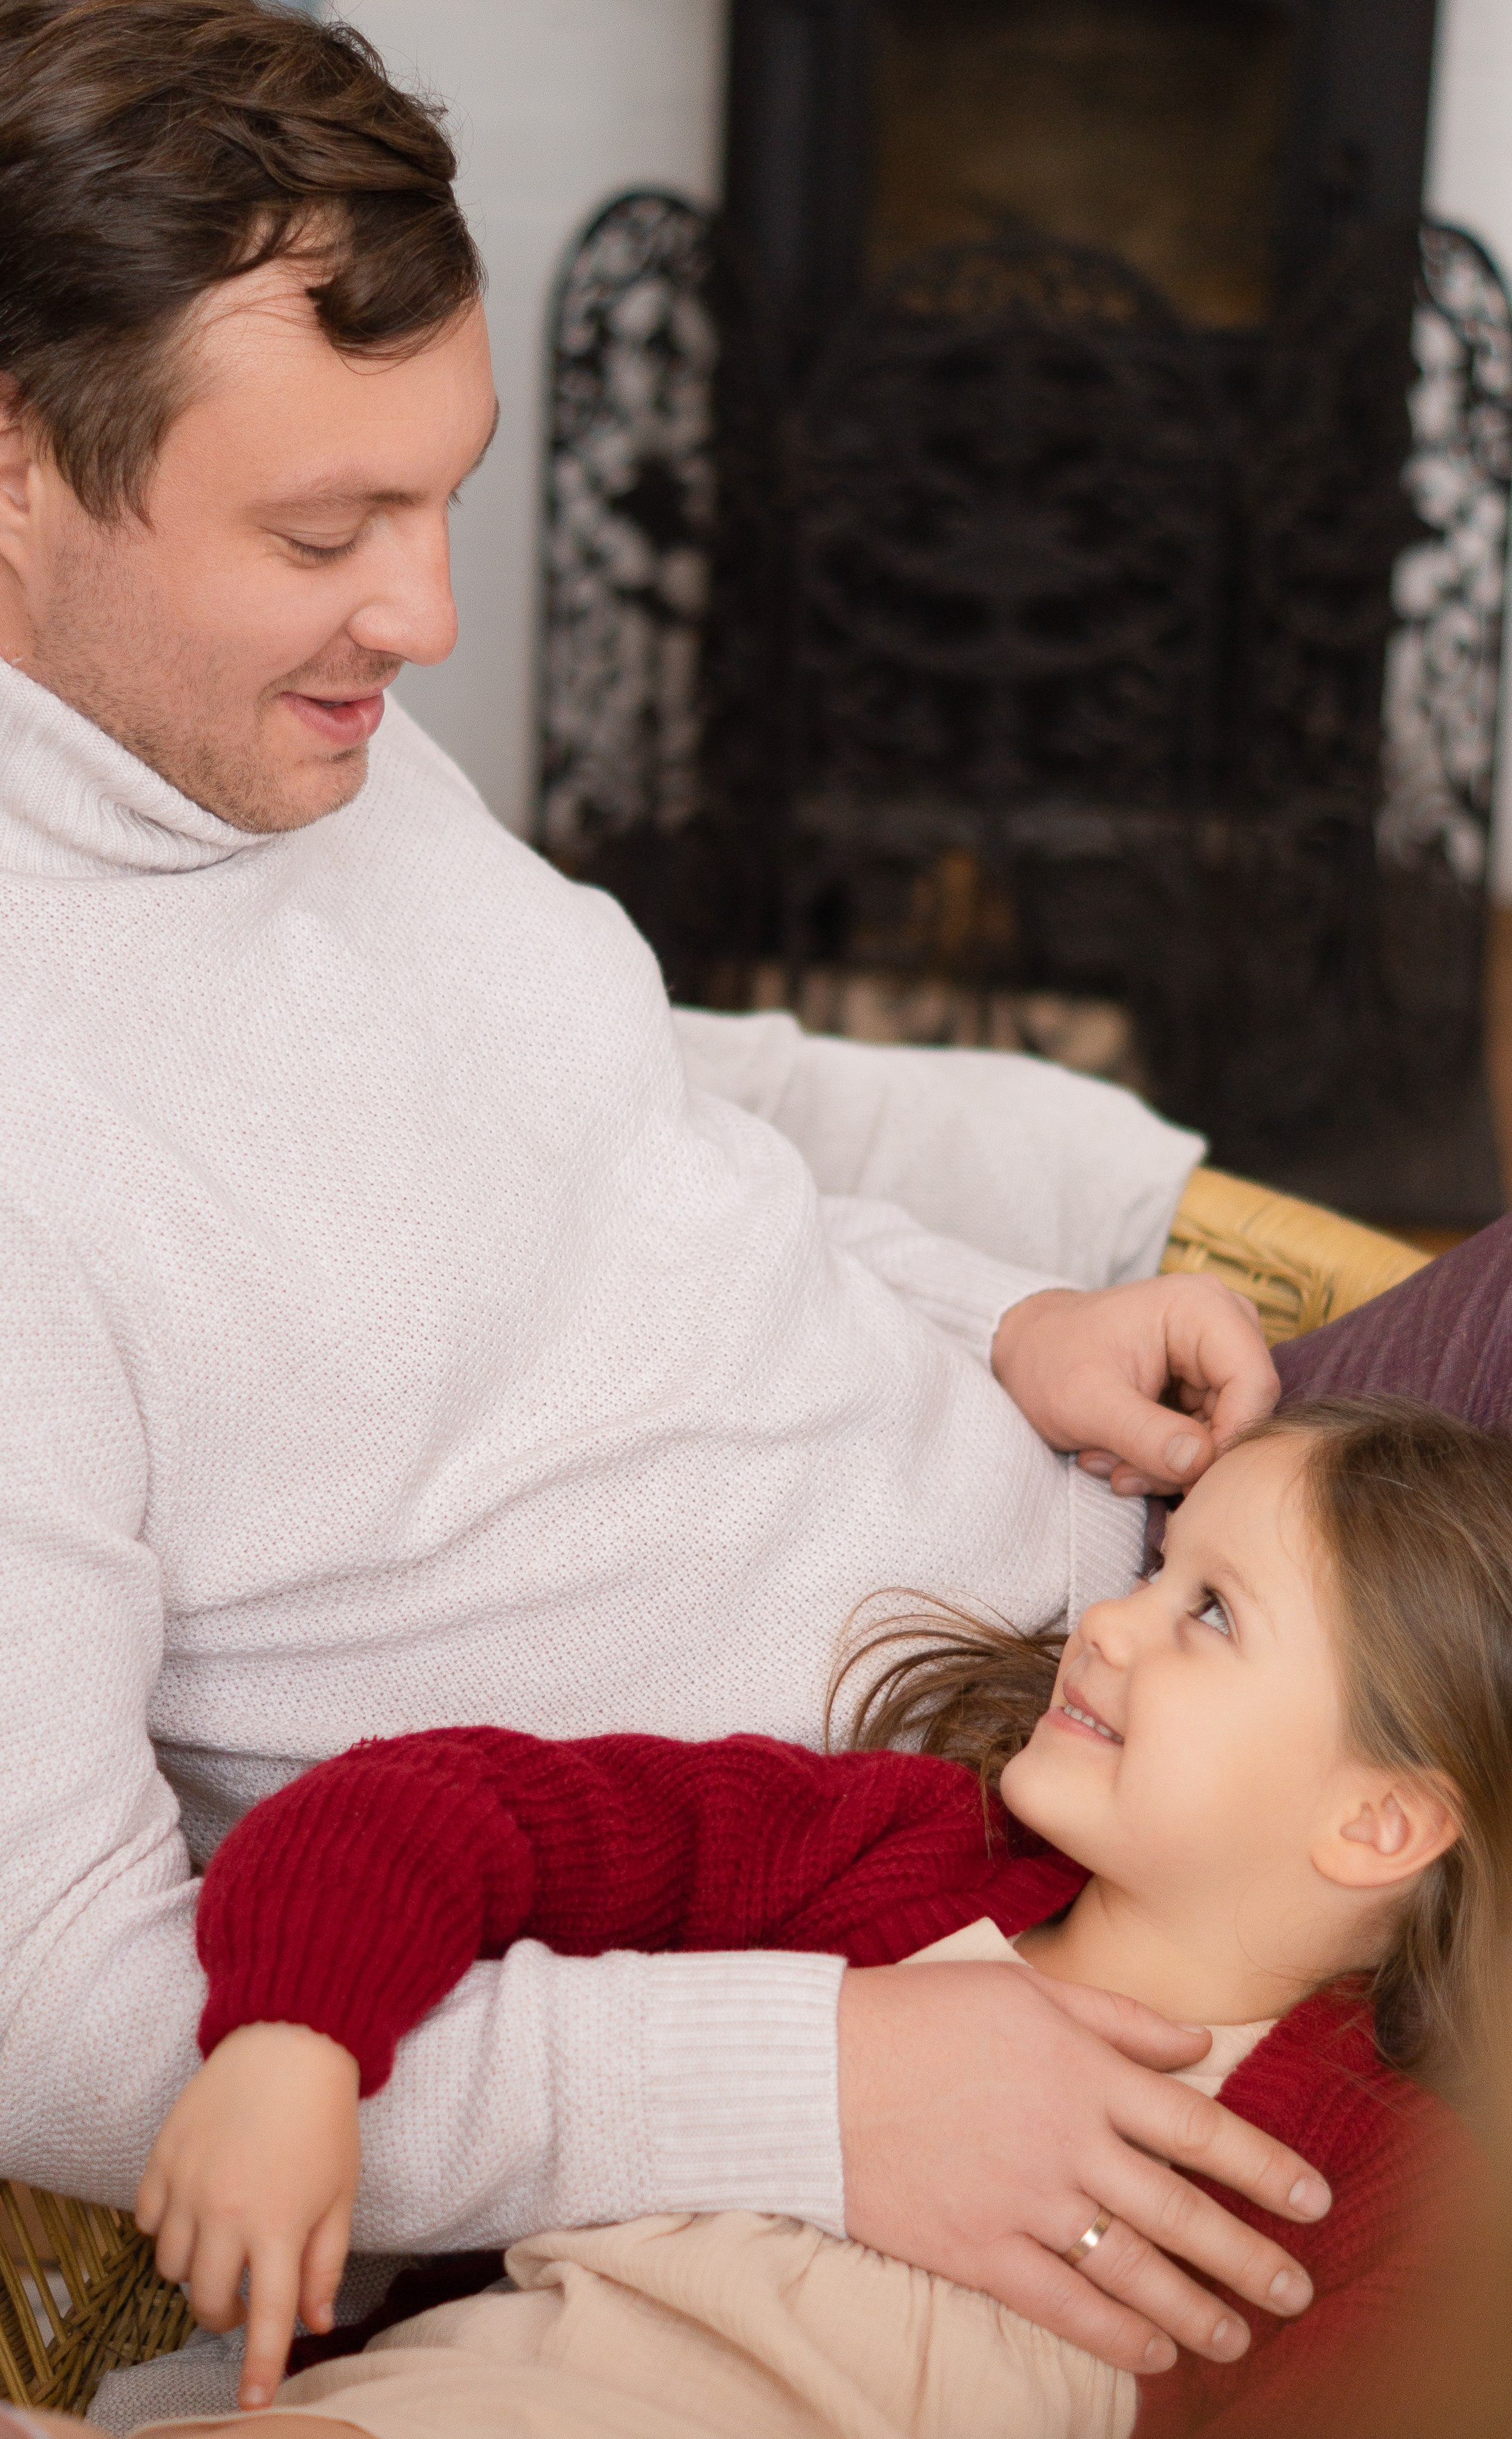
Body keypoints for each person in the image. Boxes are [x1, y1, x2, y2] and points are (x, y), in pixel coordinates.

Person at [0, 0, 1323, 2382]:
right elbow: (58, 2011)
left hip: (1171, 1613)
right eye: (325, 532)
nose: (426, 625)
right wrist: (803, 2090)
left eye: (445, 495)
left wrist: (988, 1309)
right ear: (12, 465)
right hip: (912, 1962)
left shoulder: (261, 723)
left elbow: (610, 1115)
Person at [132, 1396, 1512, 2433]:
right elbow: (449, 1802)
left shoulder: (1382, 2195)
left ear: (1378, 1820)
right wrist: (290, 2033)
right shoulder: (893, 1856)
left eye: (1211, 1612)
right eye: (1162, 1568)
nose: (1110, 1618)